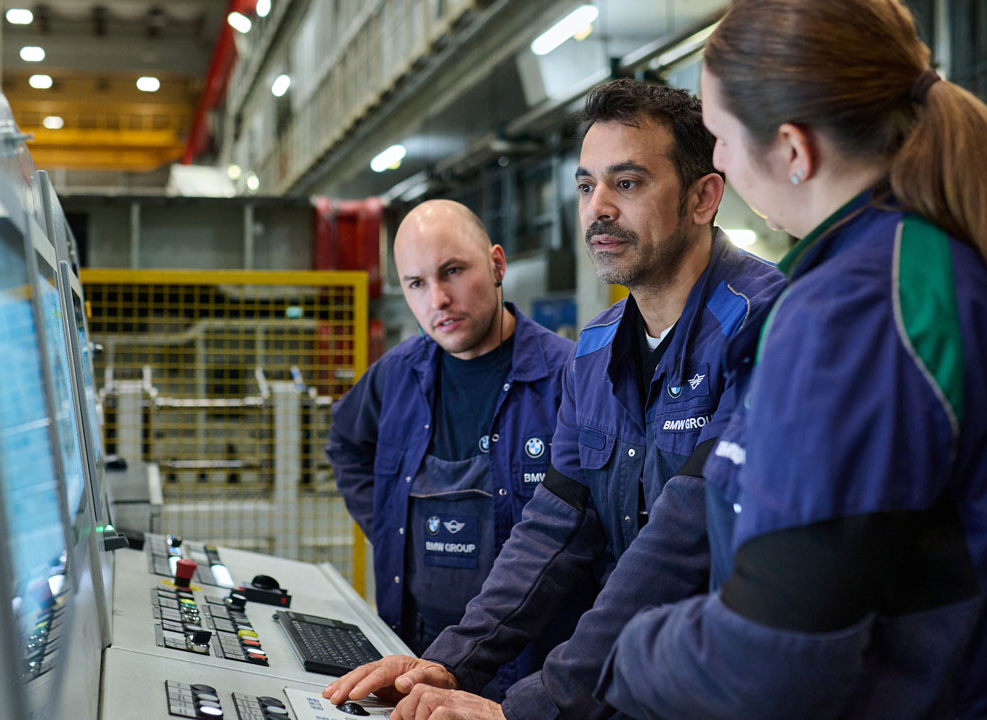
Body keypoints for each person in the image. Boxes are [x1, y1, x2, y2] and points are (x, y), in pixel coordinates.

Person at [595, 1, 987, 718]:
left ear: (794, 151)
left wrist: (634, 653)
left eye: (720, 137)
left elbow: (770, 660)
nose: (720, 163)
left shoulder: (854, 313)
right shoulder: (927, 262)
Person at [325, 79, 785, 719]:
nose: (598, 207)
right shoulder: (595, 352)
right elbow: (555, 526)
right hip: (637, 688)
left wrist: (530, 708)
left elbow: (682, 545)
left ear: (704, 197)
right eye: (586, 185)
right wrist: (454, 662)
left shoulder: (766, 327)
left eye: (627, 183)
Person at [326, 199, 589, 700]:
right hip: (413, 647)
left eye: (453, 271)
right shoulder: (398, 375)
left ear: (496, 265)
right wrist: (389, 528)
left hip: (526, 662)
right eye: (416, 283)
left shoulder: (567, 377)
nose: (438, 299)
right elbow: (346, 444)